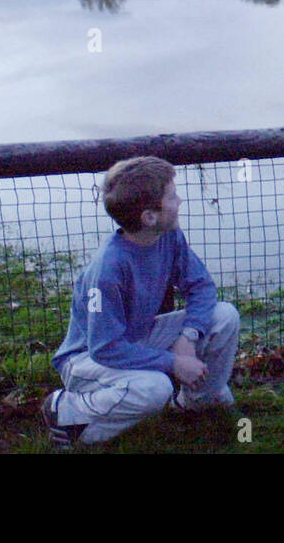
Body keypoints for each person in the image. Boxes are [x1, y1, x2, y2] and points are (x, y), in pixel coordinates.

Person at [43, 155, 239, 447]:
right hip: (87, 358)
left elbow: (201, 285)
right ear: (149, 217)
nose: (181, 201)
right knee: (156, 388)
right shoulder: (108, 269)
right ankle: (68, 414)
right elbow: (105, 348)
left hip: (133, 339)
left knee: (225, 316)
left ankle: (198, 403)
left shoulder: (168, 237)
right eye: (172, 197)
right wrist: (173, 363)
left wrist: (189, 334)